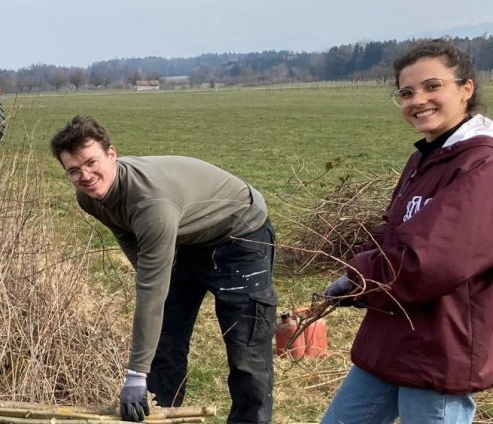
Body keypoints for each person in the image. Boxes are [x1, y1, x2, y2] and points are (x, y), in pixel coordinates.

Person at [50, 116, 278, 424]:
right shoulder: (90, 198)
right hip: (186, 236)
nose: (86, 176)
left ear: (112, 154)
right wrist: (153, 274)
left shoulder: (151, 205)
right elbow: (125, 232)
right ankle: (159, 416)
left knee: (245, 350)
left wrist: (133, 374)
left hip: (239, 233)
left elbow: (150, 292)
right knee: (165, 340)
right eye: (74, 171)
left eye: (91, 163)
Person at [321, 38, 493, 424]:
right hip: (391, 340)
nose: (418, 100)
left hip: (438, 351)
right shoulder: (425, 157)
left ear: (466, 89)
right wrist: (356, 273)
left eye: (433, 87)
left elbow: (427, 265)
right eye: (407, 92)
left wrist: (360, 275)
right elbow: (393, 231)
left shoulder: (482, 167)